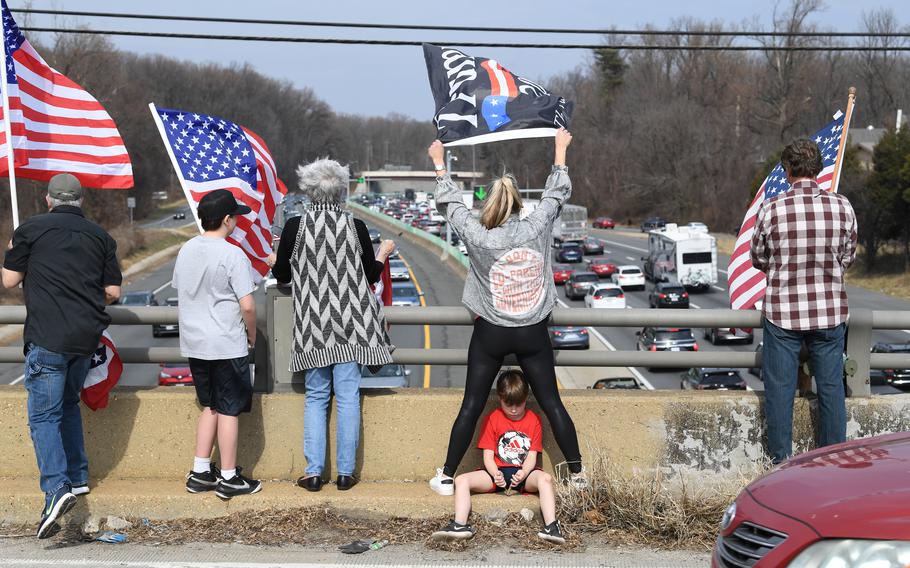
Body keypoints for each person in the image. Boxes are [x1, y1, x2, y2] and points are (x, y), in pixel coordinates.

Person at [427, 129, 585, 496]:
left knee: (471, 404)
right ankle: (577, 474)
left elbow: (451, 206)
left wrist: (439, 163)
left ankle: (448, 475)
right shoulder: (536, 228)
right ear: (517, 205)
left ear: (490, 205)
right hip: (532, 331)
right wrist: (559, 150)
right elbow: (556, 195)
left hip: (491, 332)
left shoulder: (478, 236)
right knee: (551, 402)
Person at [2, 173, 121, 539]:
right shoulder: (101, 237)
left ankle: (56, 489)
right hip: (85, 338)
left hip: (48, 337)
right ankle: (78, 478)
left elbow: (8, 281)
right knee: (69, 405)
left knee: (43, 418)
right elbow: (112, 292)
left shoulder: (31, 230)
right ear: (80, 201)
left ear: (49, 200)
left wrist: (12, 246)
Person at [272, 158, 395, 492]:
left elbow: (281, 274)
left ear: (309, 190)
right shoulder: (354, 227)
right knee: (348, 397)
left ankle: (313, 473)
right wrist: (383, 253)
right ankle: (345, 473)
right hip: (352, 325)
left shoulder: (296, 227)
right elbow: (371, 275)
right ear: (342, 190)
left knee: (316, 397)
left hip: (313, 324)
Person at [750, 137, 858, 464]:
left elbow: (758, 258)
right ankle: (831, 461)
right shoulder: (843, 206)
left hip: (783, 314)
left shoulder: (772, 208)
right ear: (819, 168)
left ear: (786, 170)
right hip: (829, 312)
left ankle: (782, 464)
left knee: (780, 391)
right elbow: (848, 256)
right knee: (831, 389)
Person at [174, 189, 261, 500]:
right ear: (227, 220)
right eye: (235, 216)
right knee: (228, 409)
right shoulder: (232, 254)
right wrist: (251, 335)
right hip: (225, 341)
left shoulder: (186, 249)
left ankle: (199, 471)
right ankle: (228, 476)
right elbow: (248, 305)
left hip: (195, 343)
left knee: (209, 405)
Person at [431, 370, 565, 545]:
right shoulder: (492, 418)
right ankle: (459, 525)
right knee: (462, 480)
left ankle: (551, 526)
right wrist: (495, 474)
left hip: (524, 475)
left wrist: (523, 473)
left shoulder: (534, 420)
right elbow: (488, 456)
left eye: (519, 404)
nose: (514, 409)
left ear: (526, 398)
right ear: (500, 398)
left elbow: (532, 457)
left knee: (546, 479)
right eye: (508, 404)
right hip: (495, 474)